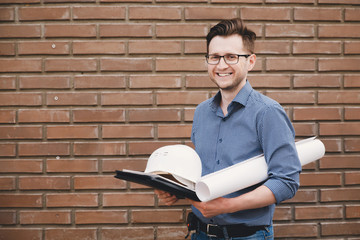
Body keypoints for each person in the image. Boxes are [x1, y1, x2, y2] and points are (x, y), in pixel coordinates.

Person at [155, 18, 301, 240]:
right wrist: (174, 189)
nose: (221, 65)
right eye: (214, 57)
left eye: (231, 57)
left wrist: (228, 205)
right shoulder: (202, 112)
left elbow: (286, 182)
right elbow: (200, 173)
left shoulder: (268, 113)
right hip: (201, 233)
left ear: (250, 61)